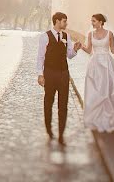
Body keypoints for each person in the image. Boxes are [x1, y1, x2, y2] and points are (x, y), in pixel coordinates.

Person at [37, 11, 82, 144]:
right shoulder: (45, 36)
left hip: (63, 74)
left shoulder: (66, 36)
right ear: (57, 21)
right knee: (48, 102)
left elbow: (69, 55)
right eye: (64, 21)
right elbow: (40, 56)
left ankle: (61, 134)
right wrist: (40, 74)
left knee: (63, 105)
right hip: (50, 73)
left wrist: (75, 50)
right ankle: (49, 130)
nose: (66, 23)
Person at [80, 13, 114, 132]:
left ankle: (109, 120)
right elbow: (88, 50)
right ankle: (97, 119)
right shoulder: (90, 34)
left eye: (94, 21)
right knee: (96, 92)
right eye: (91, 21)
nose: (92, 23)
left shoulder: (109, 34)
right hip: (95, 65)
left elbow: (113, 49)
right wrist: (81, 46)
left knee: (109, 92)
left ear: (101, 22)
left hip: (107, 64)